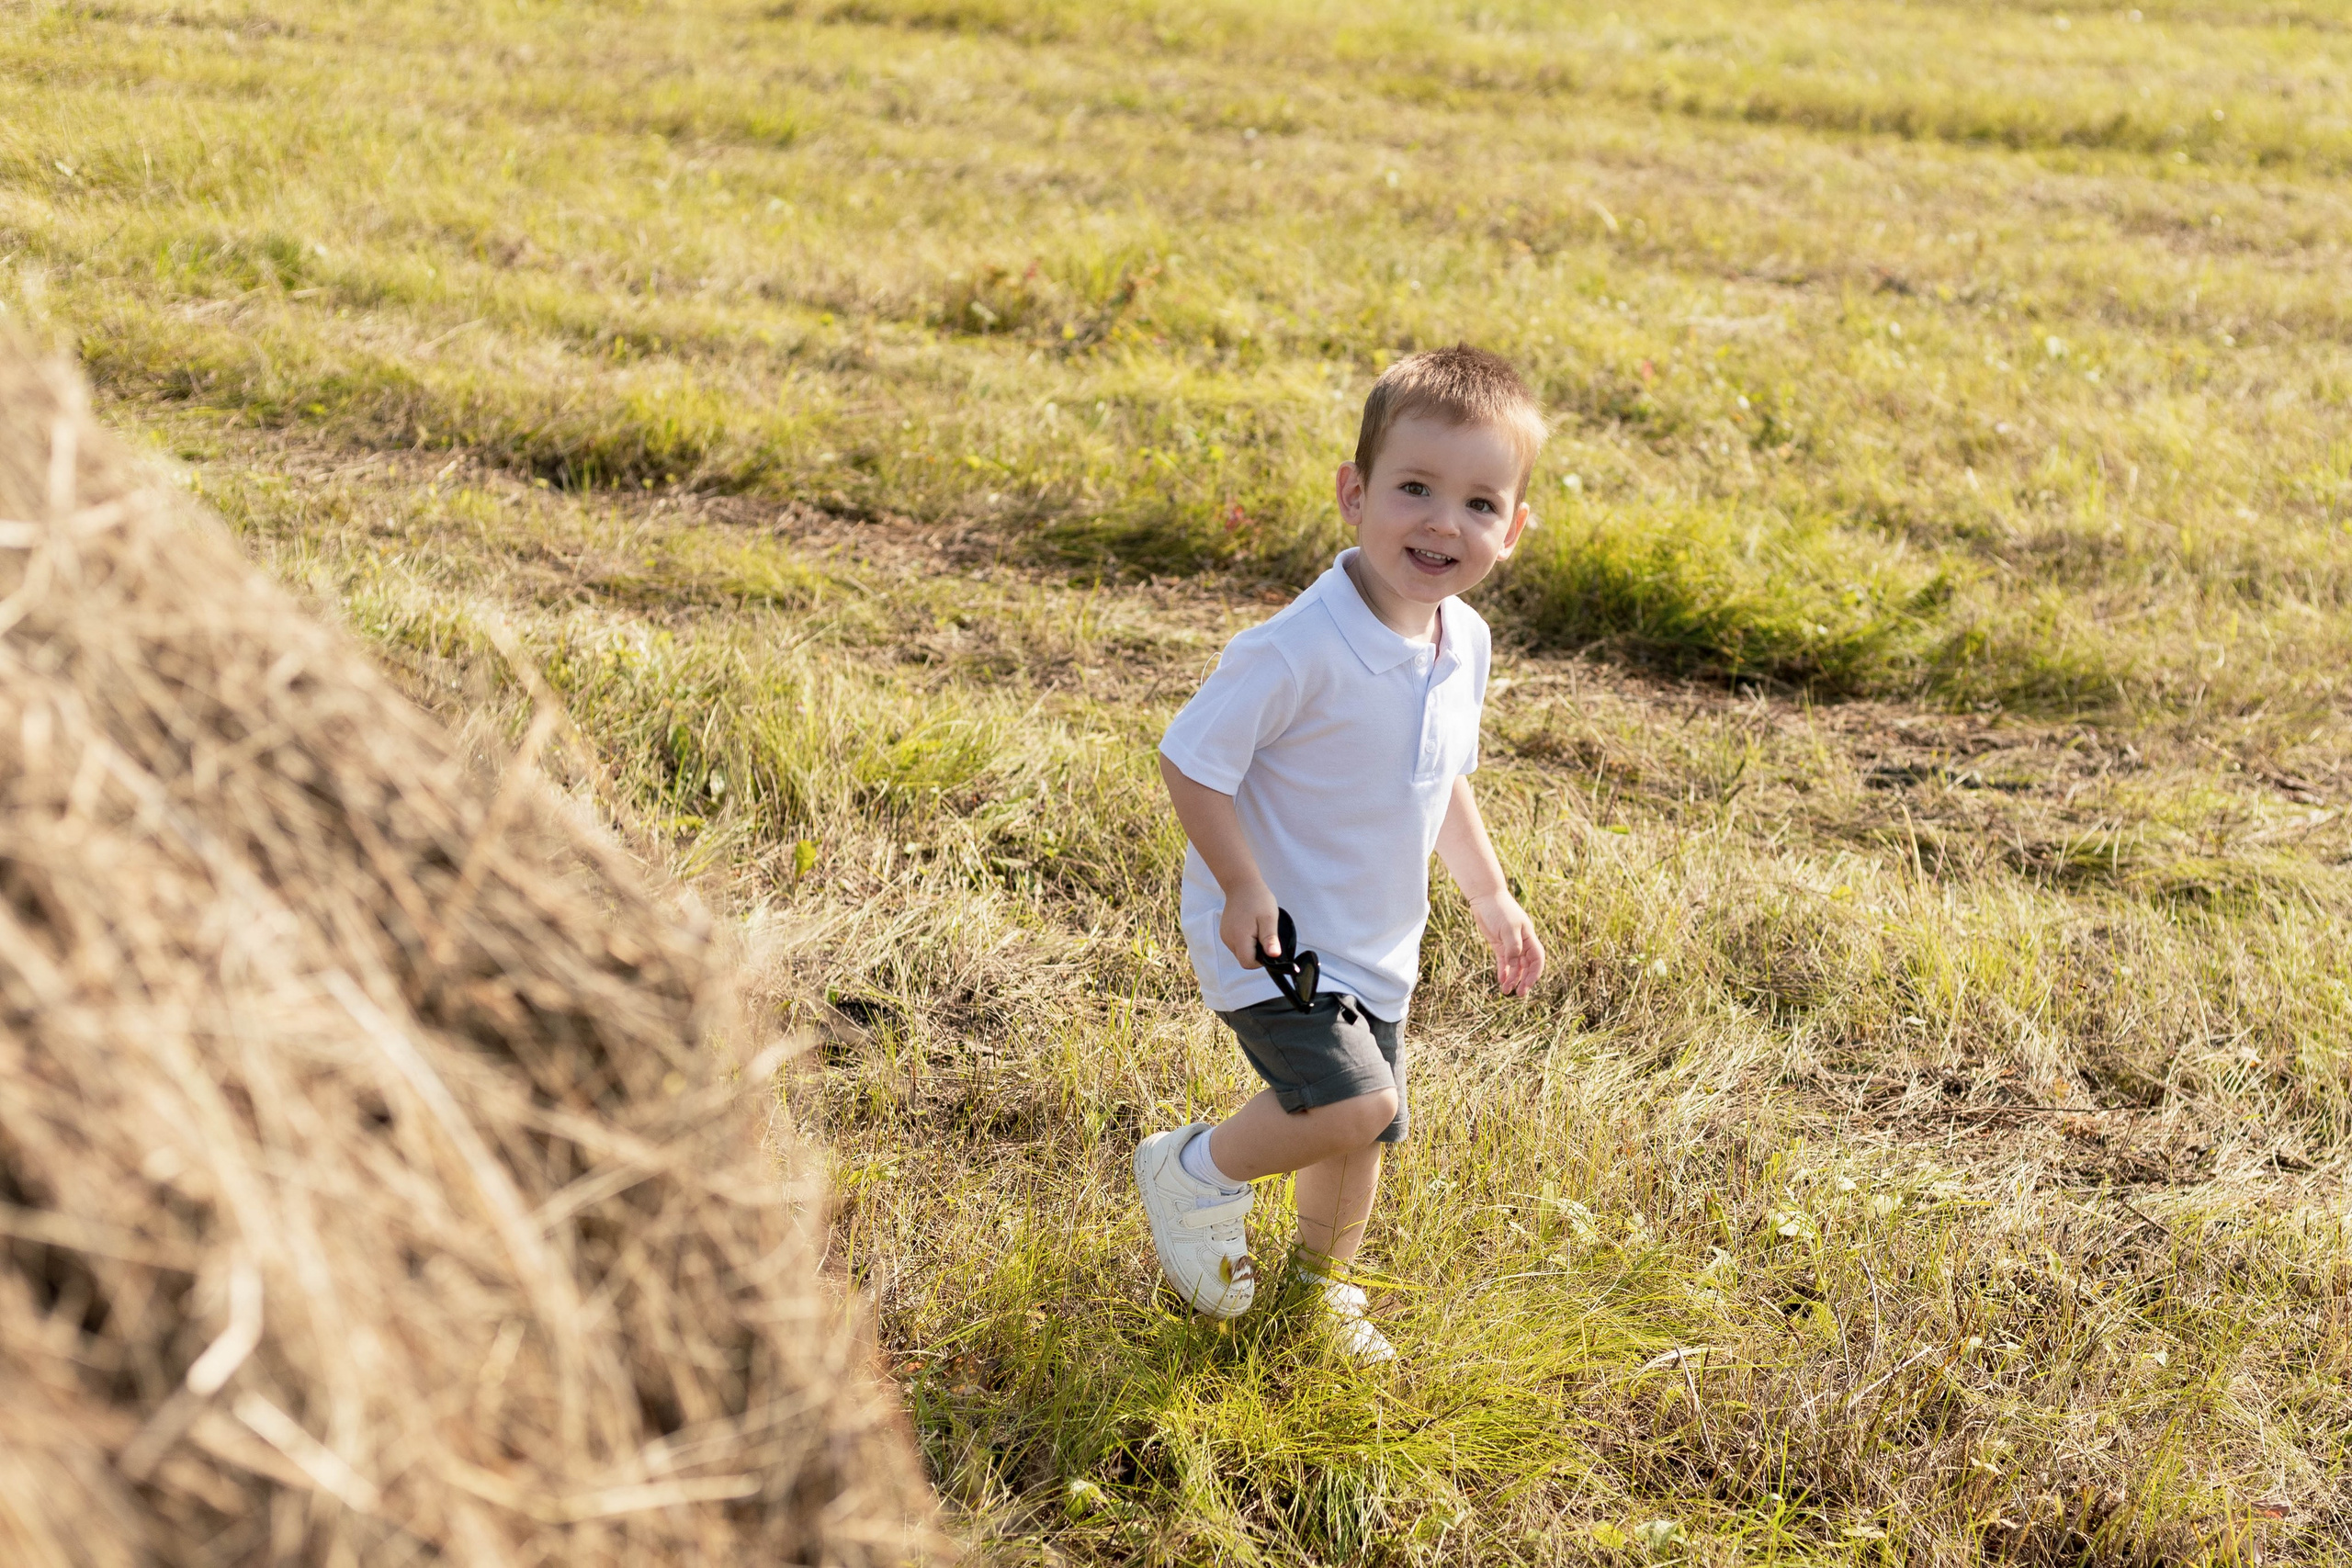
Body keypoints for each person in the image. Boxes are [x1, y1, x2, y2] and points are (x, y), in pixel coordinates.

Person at [1137, 344, 1549, 1362]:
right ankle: (1193, 1171)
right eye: (1414, 488)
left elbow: (1439, 777)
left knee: (1362, 1127)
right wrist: (1241, 883)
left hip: (1376, 941)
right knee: (1357, 1100)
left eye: (1479, 503)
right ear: (1353, 494)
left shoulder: (1465, 645)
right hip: (1276, 930)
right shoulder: (1297, 646)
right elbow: (1192, 759)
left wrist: (1491, 898)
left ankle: (1316, 1295)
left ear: (1514, 528)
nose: (1443, 523)